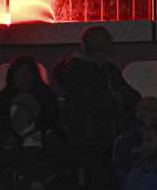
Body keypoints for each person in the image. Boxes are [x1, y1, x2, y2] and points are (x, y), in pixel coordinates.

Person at [53, 25, 141, 185]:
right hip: (92, 137)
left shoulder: (107, 70)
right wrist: (117, 102)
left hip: (103, 134)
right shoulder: (77, 72)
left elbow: (131, 97)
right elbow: (95, 102)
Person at [0, 56, 59, 140]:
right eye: (18, 73)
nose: (23, 78)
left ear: (34, 75)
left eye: (27, 73)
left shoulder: (46, 97)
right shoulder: (3, 98)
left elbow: (52, 123)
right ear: (12, 76)